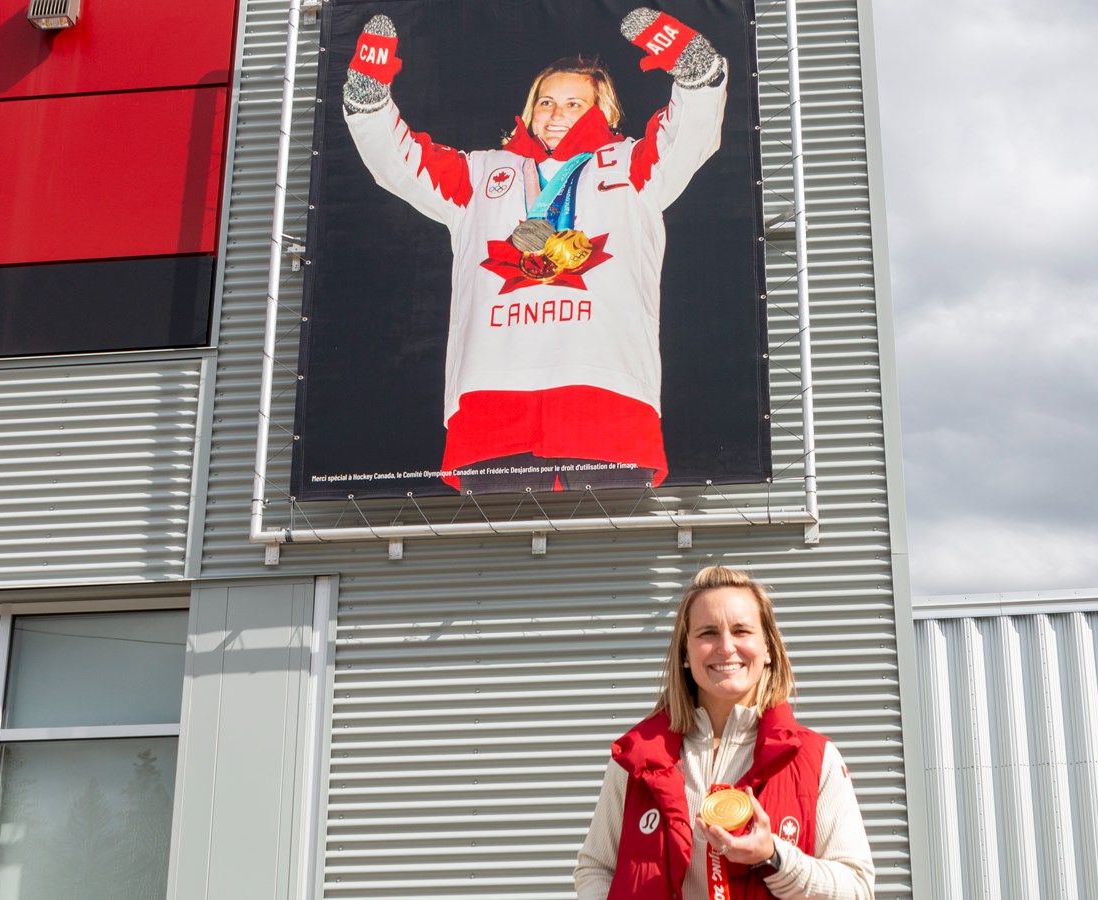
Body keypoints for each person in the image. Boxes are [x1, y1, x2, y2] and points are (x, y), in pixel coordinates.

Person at [341, 8, 728, 494]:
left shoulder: (630, 165)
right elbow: (398, 163)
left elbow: (689, 136)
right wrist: (369, 101)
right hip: (492, 394)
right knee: (499, 537)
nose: (556, 114)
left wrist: (696, 71)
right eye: (546, 102)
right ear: (530, 110)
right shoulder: (481, 173)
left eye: (573, 104)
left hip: (605, 390)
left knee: (611, 535)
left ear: (604, 112)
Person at [574, 566, 875, 899]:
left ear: (768, 648)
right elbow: (595, 869)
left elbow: (857, 889)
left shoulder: (817, 759)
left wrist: (773, 857)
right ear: (685, 653)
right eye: (708, 633)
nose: (726, 647)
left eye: (741, 630)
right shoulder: (636, 760)